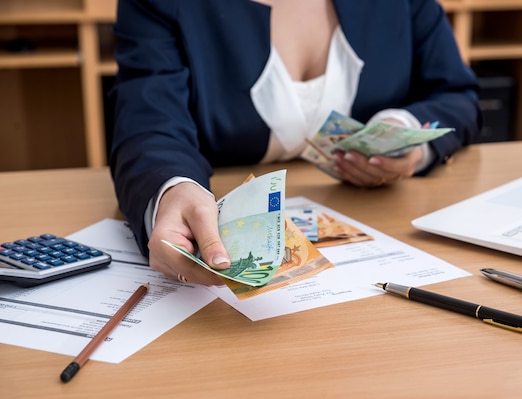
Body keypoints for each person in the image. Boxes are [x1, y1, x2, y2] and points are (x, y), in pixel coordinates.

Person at [109, 0, 482, 285]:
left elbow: (456, 94)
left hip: (382, 234)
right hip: (223, 238)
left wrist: (408, 136)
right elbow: (148, 124)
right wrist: (171, 189)